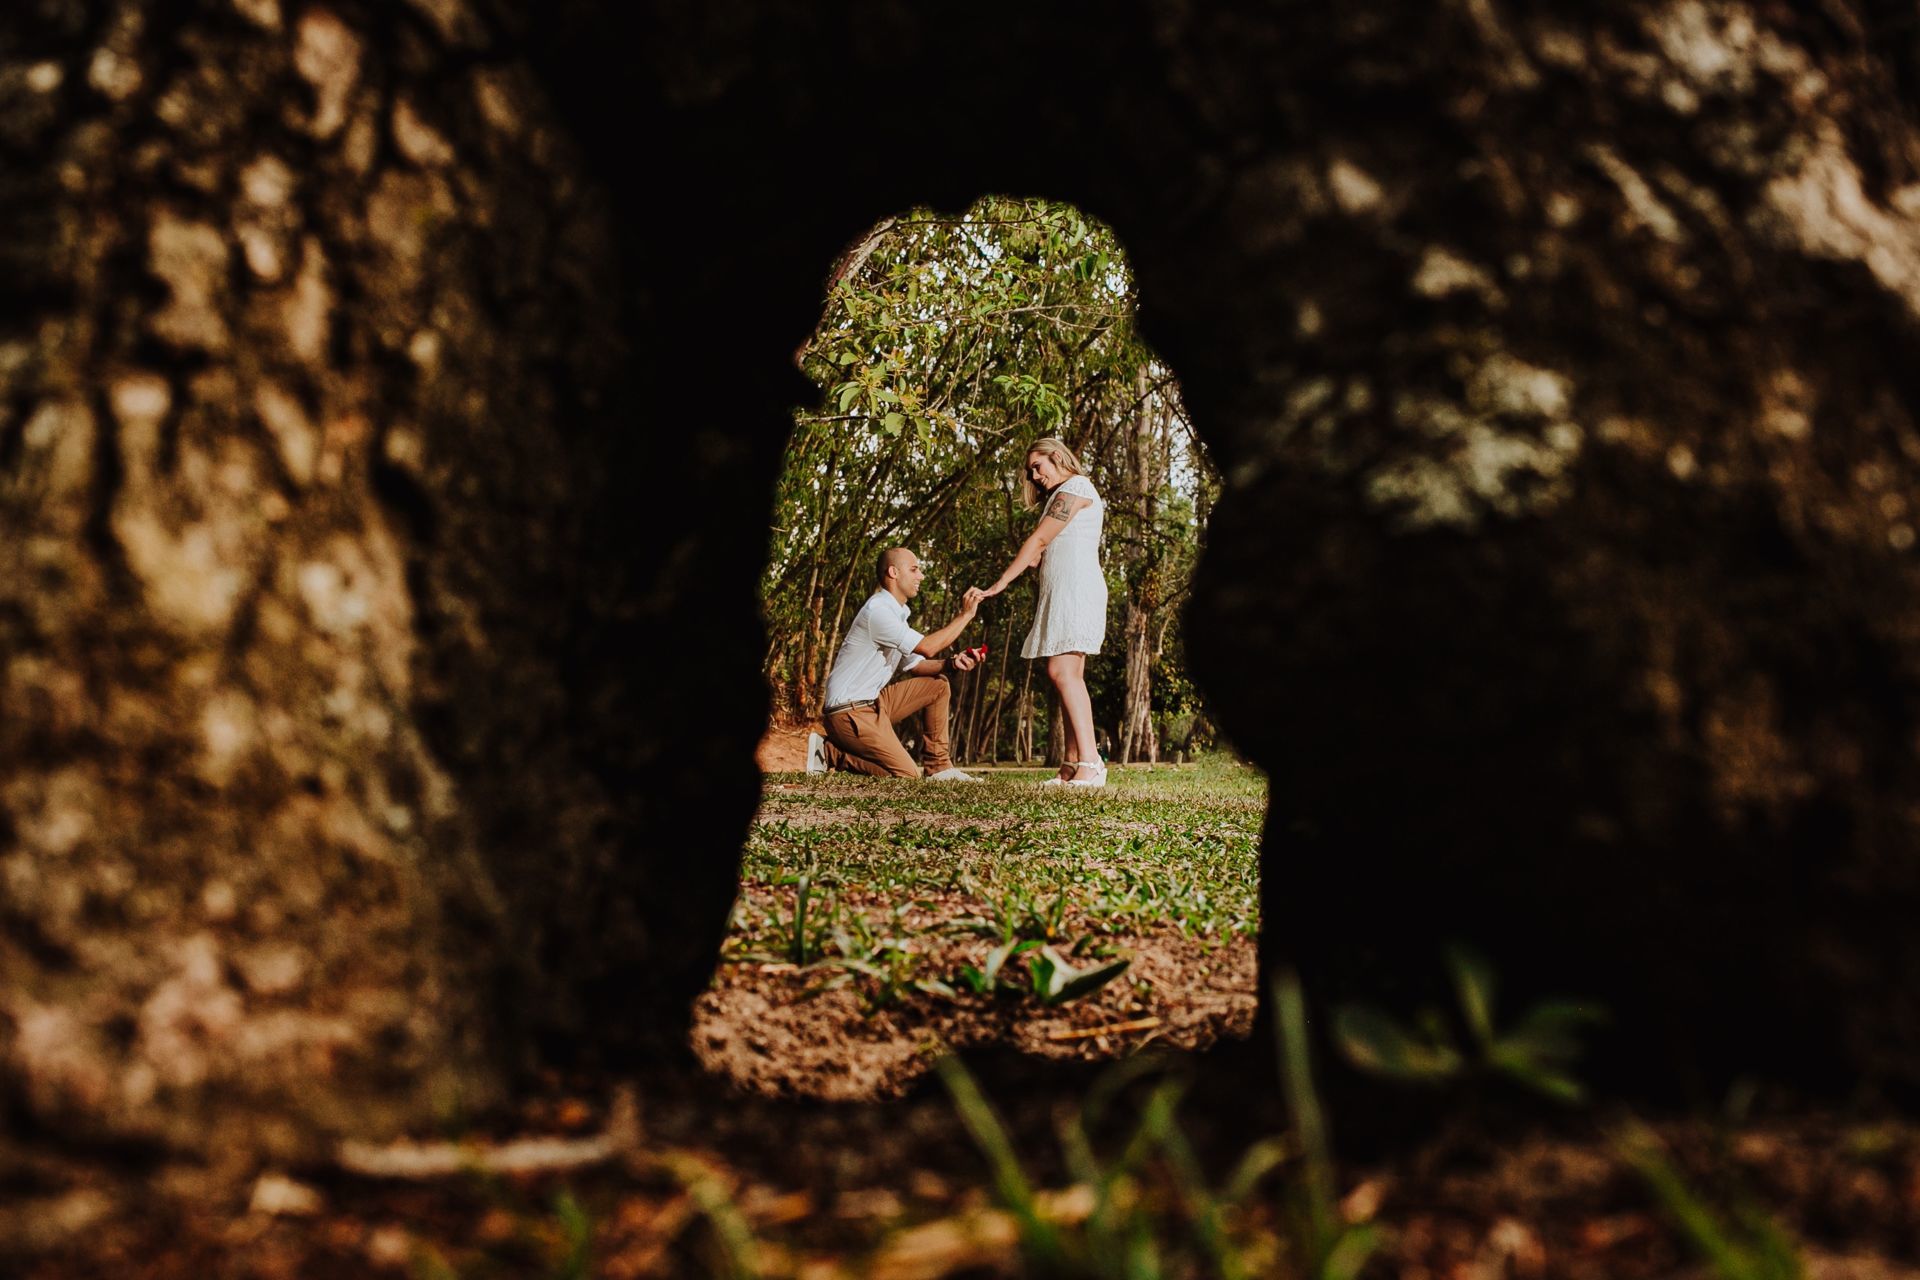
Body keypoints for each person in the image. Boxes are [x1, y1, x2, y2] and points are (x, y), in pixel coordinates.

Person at [966, 437, 1108, 787]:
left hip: (1077, 591)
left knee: (1062, 672)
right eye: (1030, 471)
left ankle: (1091, 762)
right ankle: (1071, 765)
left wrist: (1000, 583)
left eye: (1037, 466)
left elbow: (1039, 540)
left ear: (1057, 456)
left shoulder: (1076, 487)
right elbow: (1043, 550)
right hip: (1063, 591)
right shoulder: (1059, 498)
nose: (1033, 476)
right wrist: (1035, 559)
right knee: (1067, 676)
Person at [806, 547, 984, 780]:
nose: (921, 576)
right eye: (914, 569)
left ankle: (939, 767)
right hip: (849, 712)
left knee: (938, 686)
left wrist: (953, 663)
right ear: (893, 572)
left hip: (873, 703)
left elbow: (917, 666)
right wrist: (965, 615)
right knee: (907, 775)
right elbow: (928, 647)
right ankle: (830, 753)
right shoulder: (878, 611)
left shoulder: (897, 614)